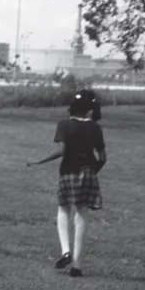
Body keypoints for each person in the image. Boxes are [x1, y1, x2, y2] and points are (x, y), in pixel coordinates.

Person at [26, 89, 106, 277]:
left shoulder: (64, 125)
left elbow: (62, 151)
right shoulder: (95, 128)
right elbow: (102, 157)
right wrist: (93, 171)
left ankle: (65, 251)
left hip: (68, 172)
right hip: (88, 173)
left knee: (63, 209)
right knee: (82, 213)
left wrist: (40, 160)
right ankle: (77, 265)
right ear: (89, 109)